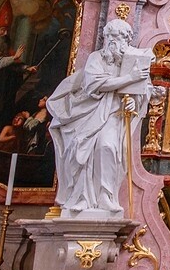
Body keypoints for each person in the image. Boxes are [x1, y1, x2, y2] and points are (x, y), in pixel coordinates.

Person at [47, 18, 154, 218]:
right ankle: (80, 198)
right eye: (110, 36)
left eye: (118, 37)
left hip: (114, 115)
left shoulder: (135, 61)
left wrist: (134, 102)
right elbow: (94, 84)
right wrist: (129, 78)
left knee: (107, 147)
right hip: (89, 112)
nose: (113, 41)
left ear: (126, 40)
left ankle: (105, 196)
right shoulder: (96, 58)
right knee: (80, 148)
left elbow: (143, 90)